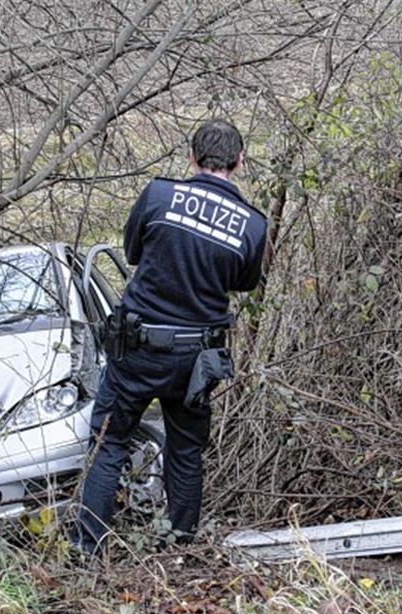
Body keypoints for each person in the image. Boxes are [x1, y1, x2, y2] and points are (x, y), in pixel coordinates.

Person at [71, 119, 267, 555]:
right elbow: (244, 283)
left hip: (137, 349)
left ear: (192, 156)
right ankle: (179, 552)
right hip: (195, 361)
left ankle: (88, 552)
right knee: (184, 452)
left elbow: (132, 253)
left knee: (109, 444)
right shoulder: (253, 225)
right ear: (239, 162)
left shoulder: (160, 195)